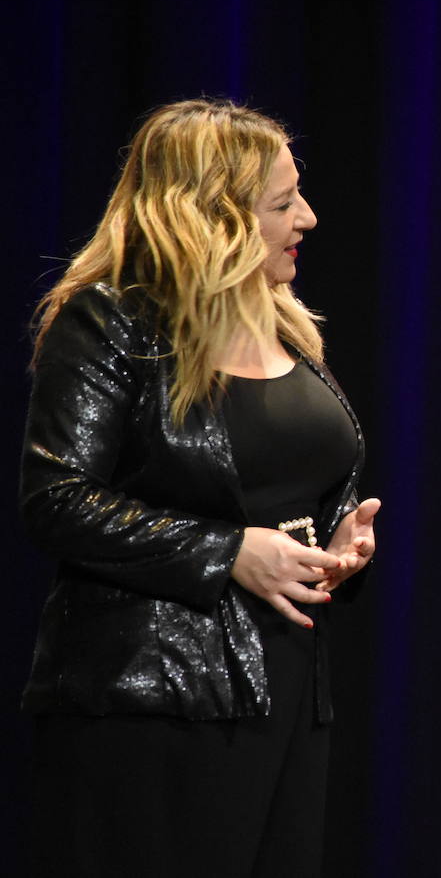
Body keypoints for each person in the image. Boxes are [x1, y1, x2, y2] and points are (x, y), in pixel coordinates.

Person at [19, 99, 380, 877]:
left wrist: (338, 542)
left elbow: (284, 487)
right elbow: (55, 498)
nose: (309, 218)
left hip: (286, 688)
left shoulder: (285, 325)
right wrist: (228, 553)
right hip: (158, 696)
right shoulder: (110, 322)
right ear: (208, 217)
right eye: (283, 203)